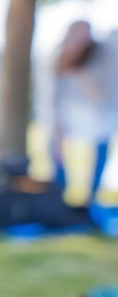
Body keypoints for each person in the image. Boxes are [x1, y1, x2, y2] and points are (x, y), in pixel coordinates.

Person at [49, 20, 118, 206]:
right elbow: (56, 98)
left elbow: (102, 98)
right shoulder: (59, 59)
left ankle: (91, 197)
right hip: (70, 114)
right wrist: (57, 130)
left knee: (102, 145)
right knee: (53, 145)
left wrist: (79, 70)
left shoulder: (103, 55)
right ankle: (59, 193)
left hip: (100, 115)